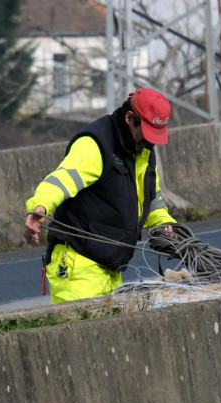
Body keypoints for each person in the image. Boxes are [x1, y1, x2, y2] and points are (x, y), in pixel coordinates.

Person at [24, 88, 177, 302]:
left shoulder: (142, 150)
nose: (150, 142)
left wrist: (163, 223)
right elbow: (63, 179)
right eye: (146, 133)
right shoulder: (95, 144)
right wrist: (41, 206)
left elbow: (151, 198)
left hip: (111, 269)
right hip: (79, 268)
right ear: (129, 118)